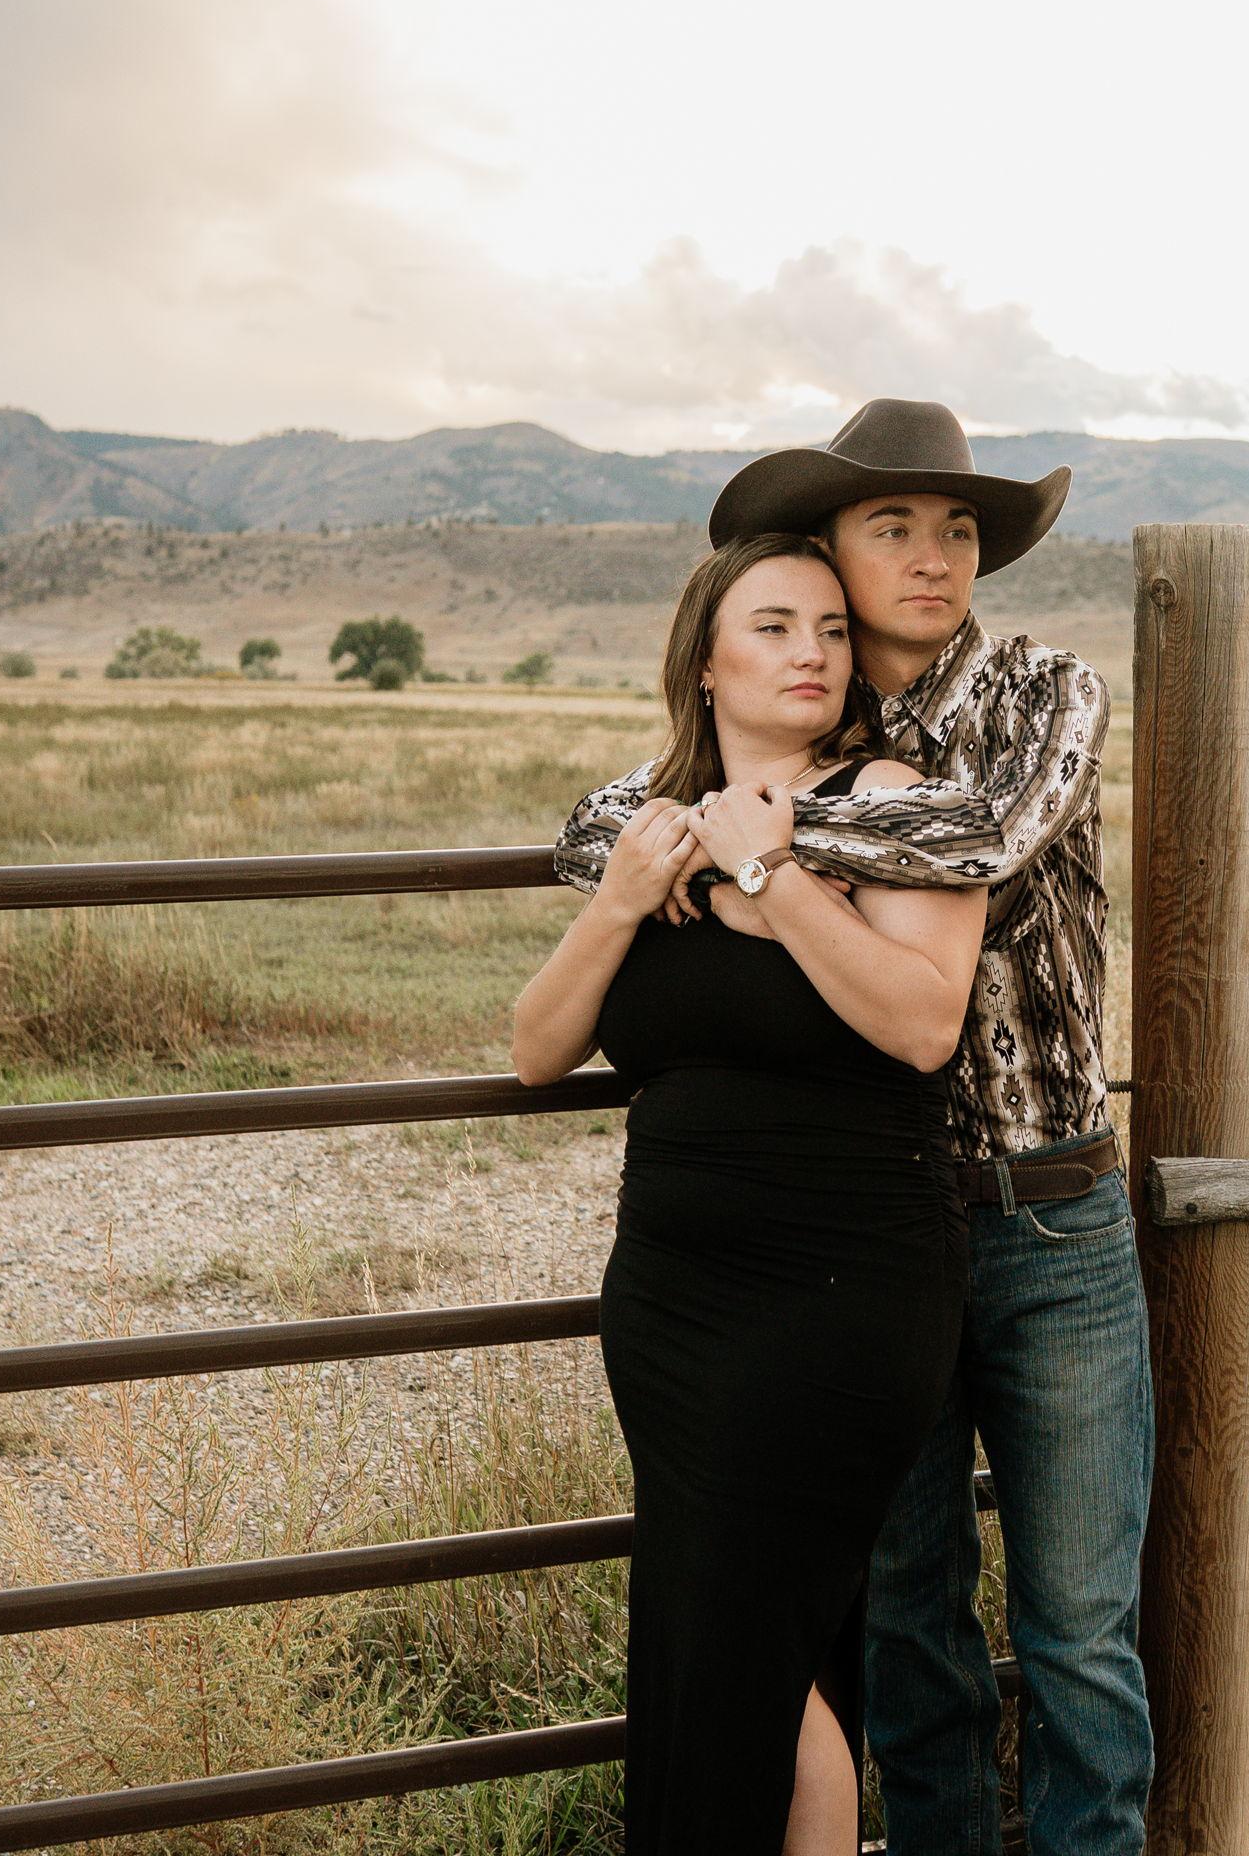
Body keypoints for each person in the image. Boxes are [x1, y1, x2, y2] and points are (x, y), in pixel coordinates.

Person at [554, 398, 1154, 1856]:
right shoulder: (815, 719)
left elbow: (980, 839)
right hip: (879, 1224)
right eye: (895, 525)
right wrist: (670, 835)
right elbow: (594, 825)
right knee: (909, 1622)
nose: (936, 555)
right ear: (825, 549)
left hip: (1052, 1208)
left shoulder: (1041, 692)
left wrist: (737, 840)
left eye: (959, 529)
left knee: (1078, 1627)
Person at [512, 529, 987, 1856]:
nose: (815, 654)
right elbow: (538, 1048)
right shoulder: (633, 825)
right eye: (777, 626)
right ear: (706, 662)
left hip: (843, 1298)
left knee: (745, 1659)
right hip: (672, 1304)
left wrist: (771, 877)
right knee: (734, 1635)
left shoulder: (905, 807)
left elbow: (920, 1027)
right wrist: (620, 903)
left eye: (833, 632)